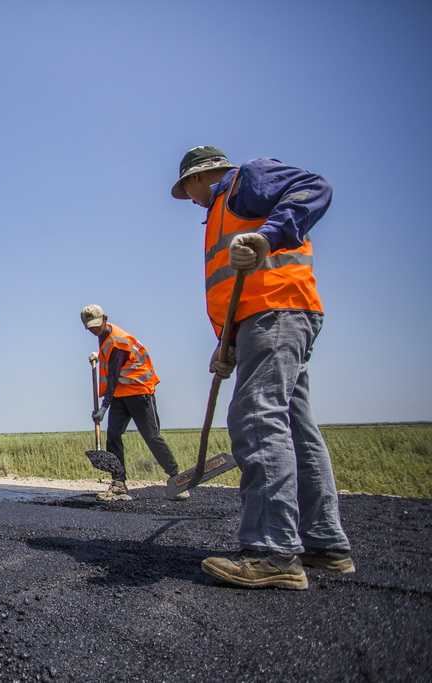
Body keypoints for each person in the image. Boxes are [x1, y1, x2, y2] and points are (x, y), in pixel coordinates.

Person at [171, 145, 352, 590]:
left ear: (200, 177)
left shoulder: (245, 181)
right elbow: (233, 284)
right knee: (293, 424)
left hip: (276, 312)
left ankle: (273, 551)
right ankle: (325, 544)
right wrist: (227, 343)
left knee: (255, 416)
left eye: (187, 189)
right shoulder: (219, 213)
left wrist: (269, 236)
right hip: (265, 319)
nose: (190, 200)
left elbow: (315, 188)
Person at [80, 306, 186, 501]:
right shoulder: (105, 335)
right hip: (121, 393)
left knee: (151, 436)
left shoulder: (117, 341)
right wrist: (99, 354)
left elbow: (113, 374)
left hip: (139, 392)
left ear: (105, 319)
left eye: (96, 325)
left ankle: (177, 478)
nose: (94, 330)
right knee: (113, 435)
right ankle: (119, 484)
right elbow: (113, 361)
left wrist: (104, 407)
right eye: (90, 328)